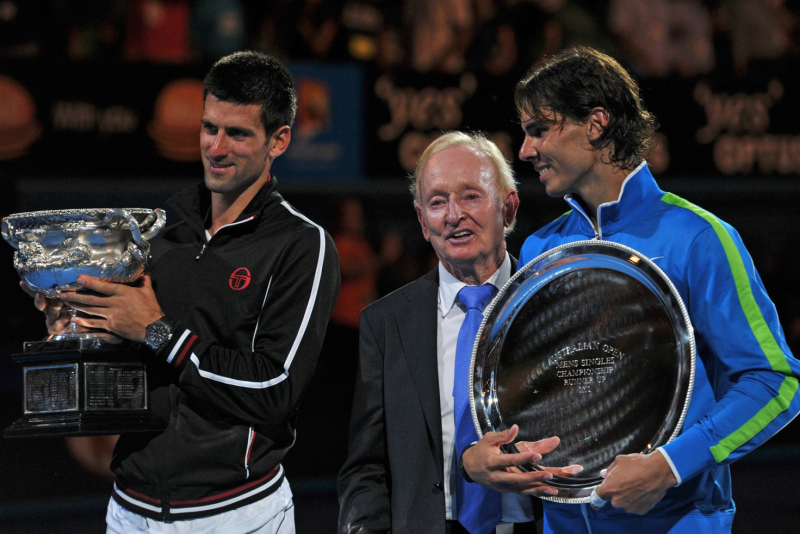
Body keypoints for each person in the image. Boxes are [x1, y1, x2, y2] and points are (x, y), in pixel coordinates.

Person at [27, 50, 340, 533]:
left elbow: (274, 389)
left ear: (279, 141)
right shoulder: (160, 233)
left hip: (235, 513)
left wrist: (159, 332)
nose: (216, 147)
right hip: (129, 508)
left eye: (237, 134)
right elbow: (130, 362)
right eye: (209, 128)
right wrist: (79, 327)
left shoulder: (301, 244)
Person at [514, 45, 800, 532]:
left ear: (596, 124)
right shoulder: (540, 249)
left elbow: (776, 384)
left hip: (678, 522)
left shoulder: (699, 238)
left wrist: (670, 466)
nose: (525, 150)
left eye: (539, 129)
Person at [337, 131, 580, 534]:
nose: (453, 215)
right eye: (437, 202)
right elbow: (366, 468)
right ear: (422, 221)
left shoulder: (554, 308)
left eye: (470, 196)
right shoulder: (386, 323)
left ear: (509, 208)